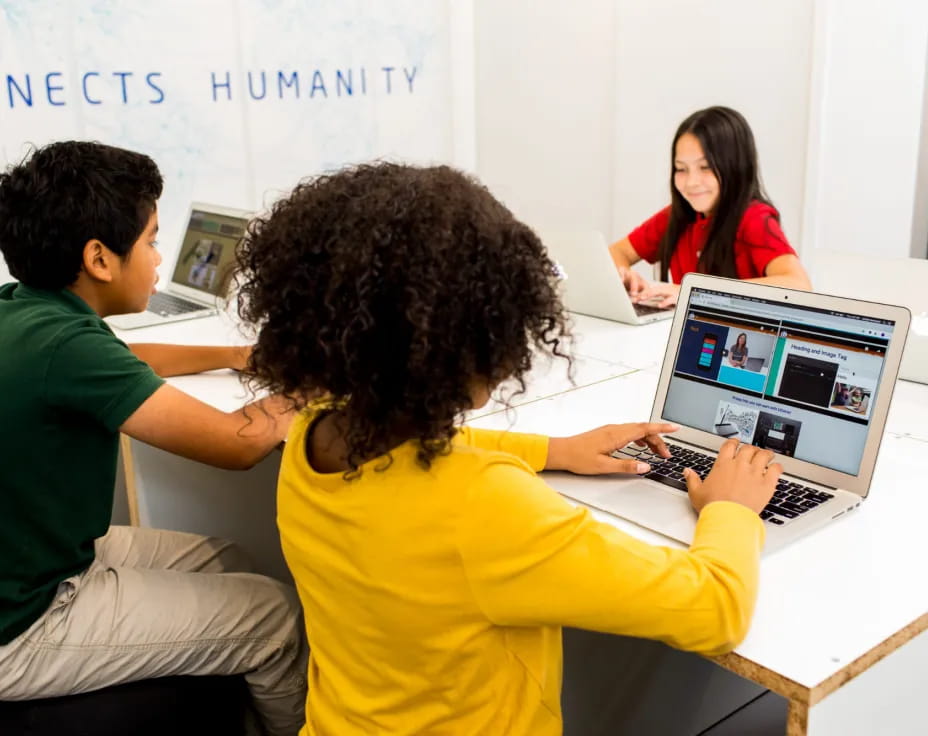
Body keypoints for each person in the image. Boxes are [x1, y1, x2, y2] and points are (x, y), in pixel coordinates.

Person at [235, 161, 781, 735]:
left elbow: (424, 463)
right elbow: (715, 610)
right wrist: (730, 510)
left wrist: (558, 451)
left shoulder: (310, 437)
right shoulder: (483, 503)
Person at [0, 141, 306, 736]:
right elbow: (237, 445)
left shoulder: (25, 309)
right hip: (23, 623)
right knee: (278, 618)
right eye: (151, 240)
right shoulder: (67, 345)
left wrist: (239, 355)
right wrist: (315, 379)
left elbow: (130, 357)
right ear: (99, 259)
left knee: (231, 559)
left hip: (32, 559)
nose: (160, 259)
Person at [609, 106, 812, 307]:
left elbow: (798, 286)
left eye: (705, 167)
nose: (691, 182)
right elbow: (617, 252)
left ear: (735, 166)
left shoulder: (754, 218)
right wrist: (625, 275)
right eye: (681, 169)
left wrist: (693, 291)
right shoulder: (679, 215)